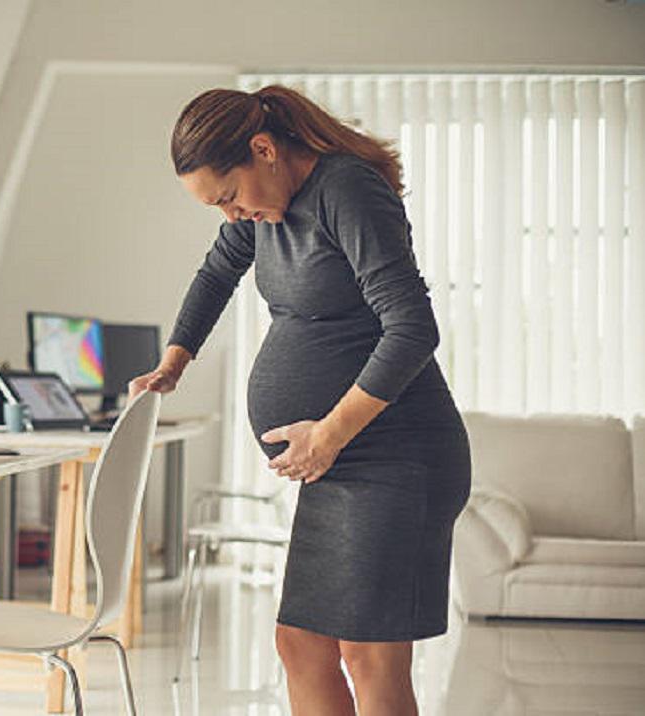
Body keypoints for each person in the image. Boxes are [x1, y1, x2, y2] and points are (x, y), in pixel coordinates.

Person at [129, 85, 472, 715]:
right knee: (301, 647)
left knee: (368, 656)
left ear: (263, 150)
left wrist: (331, 433)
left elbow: (413, 327)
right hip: (338, 463)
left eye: (228, 196)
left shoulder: (346, 190)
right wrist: (173, 362)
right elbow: (215, 274)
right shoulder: (263, 213)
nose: (230, 214)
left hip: (397, 456)